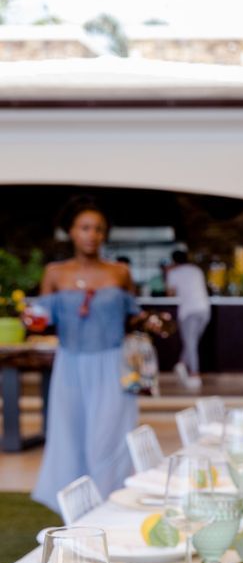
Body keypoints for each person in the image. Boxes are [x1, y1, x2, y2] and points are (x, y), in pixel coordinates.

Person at [32, 198, 140, 511]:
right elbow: (43, 317)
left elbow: (132, 316)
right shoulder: (54, 273)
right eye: (85, 228)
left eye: (99, 229)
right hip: (70, 364)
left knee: (109, 437)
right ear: (71, 232)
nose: (92, 235)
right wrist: (33, 318)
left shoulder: (119, 272)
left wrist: (151, 322)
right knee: (69, 437)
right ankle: (76, 508)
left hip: (112, 363)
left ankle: (109, 505)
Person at [166, 249, 211, 391]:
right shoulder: (196, 270)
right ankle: (181, 364)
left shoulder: (174, 273)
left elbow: (170, 293)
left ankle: (194, 374)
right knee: (192, 341)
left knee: (190, 343)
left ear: (174, 261)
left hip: (189, 311)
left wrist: (167, 273)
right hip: (204, 309)